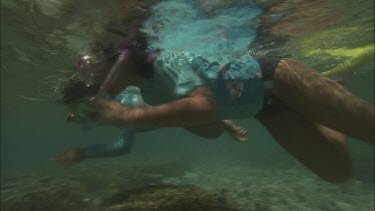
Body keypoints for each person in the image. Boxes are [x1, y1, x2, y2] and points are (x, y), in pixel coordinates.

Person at [54, 2, 373, 183]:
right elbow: (206, 124)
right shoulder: (149, 92)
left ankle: (326, 89)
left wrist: (129, 116)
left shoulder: (167, 60)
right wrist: (224, 123)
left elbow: (203, 106)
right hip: (265, 108)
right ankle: (332, 94)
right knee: (337, 172)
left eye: (97, 79)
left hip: (278, 78)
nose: (100, 88)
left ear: (119, 59)